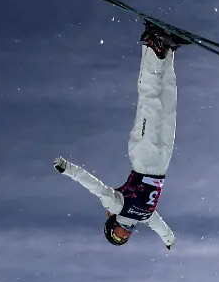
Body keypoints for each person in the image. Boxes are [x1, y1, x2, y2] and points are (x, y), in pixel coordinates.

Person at [54, 22, 190, 249]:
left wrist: (68, 169)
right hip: (162, 163)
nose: (124, 235)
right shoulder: (145, 217)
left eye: (117, 235)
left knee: (150, 103)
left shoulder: (117, 207)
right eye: (124, 240)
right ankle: (167, 52)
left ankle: (153, 46)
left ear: (111, 225)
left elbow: (94, 186)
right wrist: (169, 240)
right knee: (168, 106)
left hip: (143, 158)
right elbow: (161, 227)